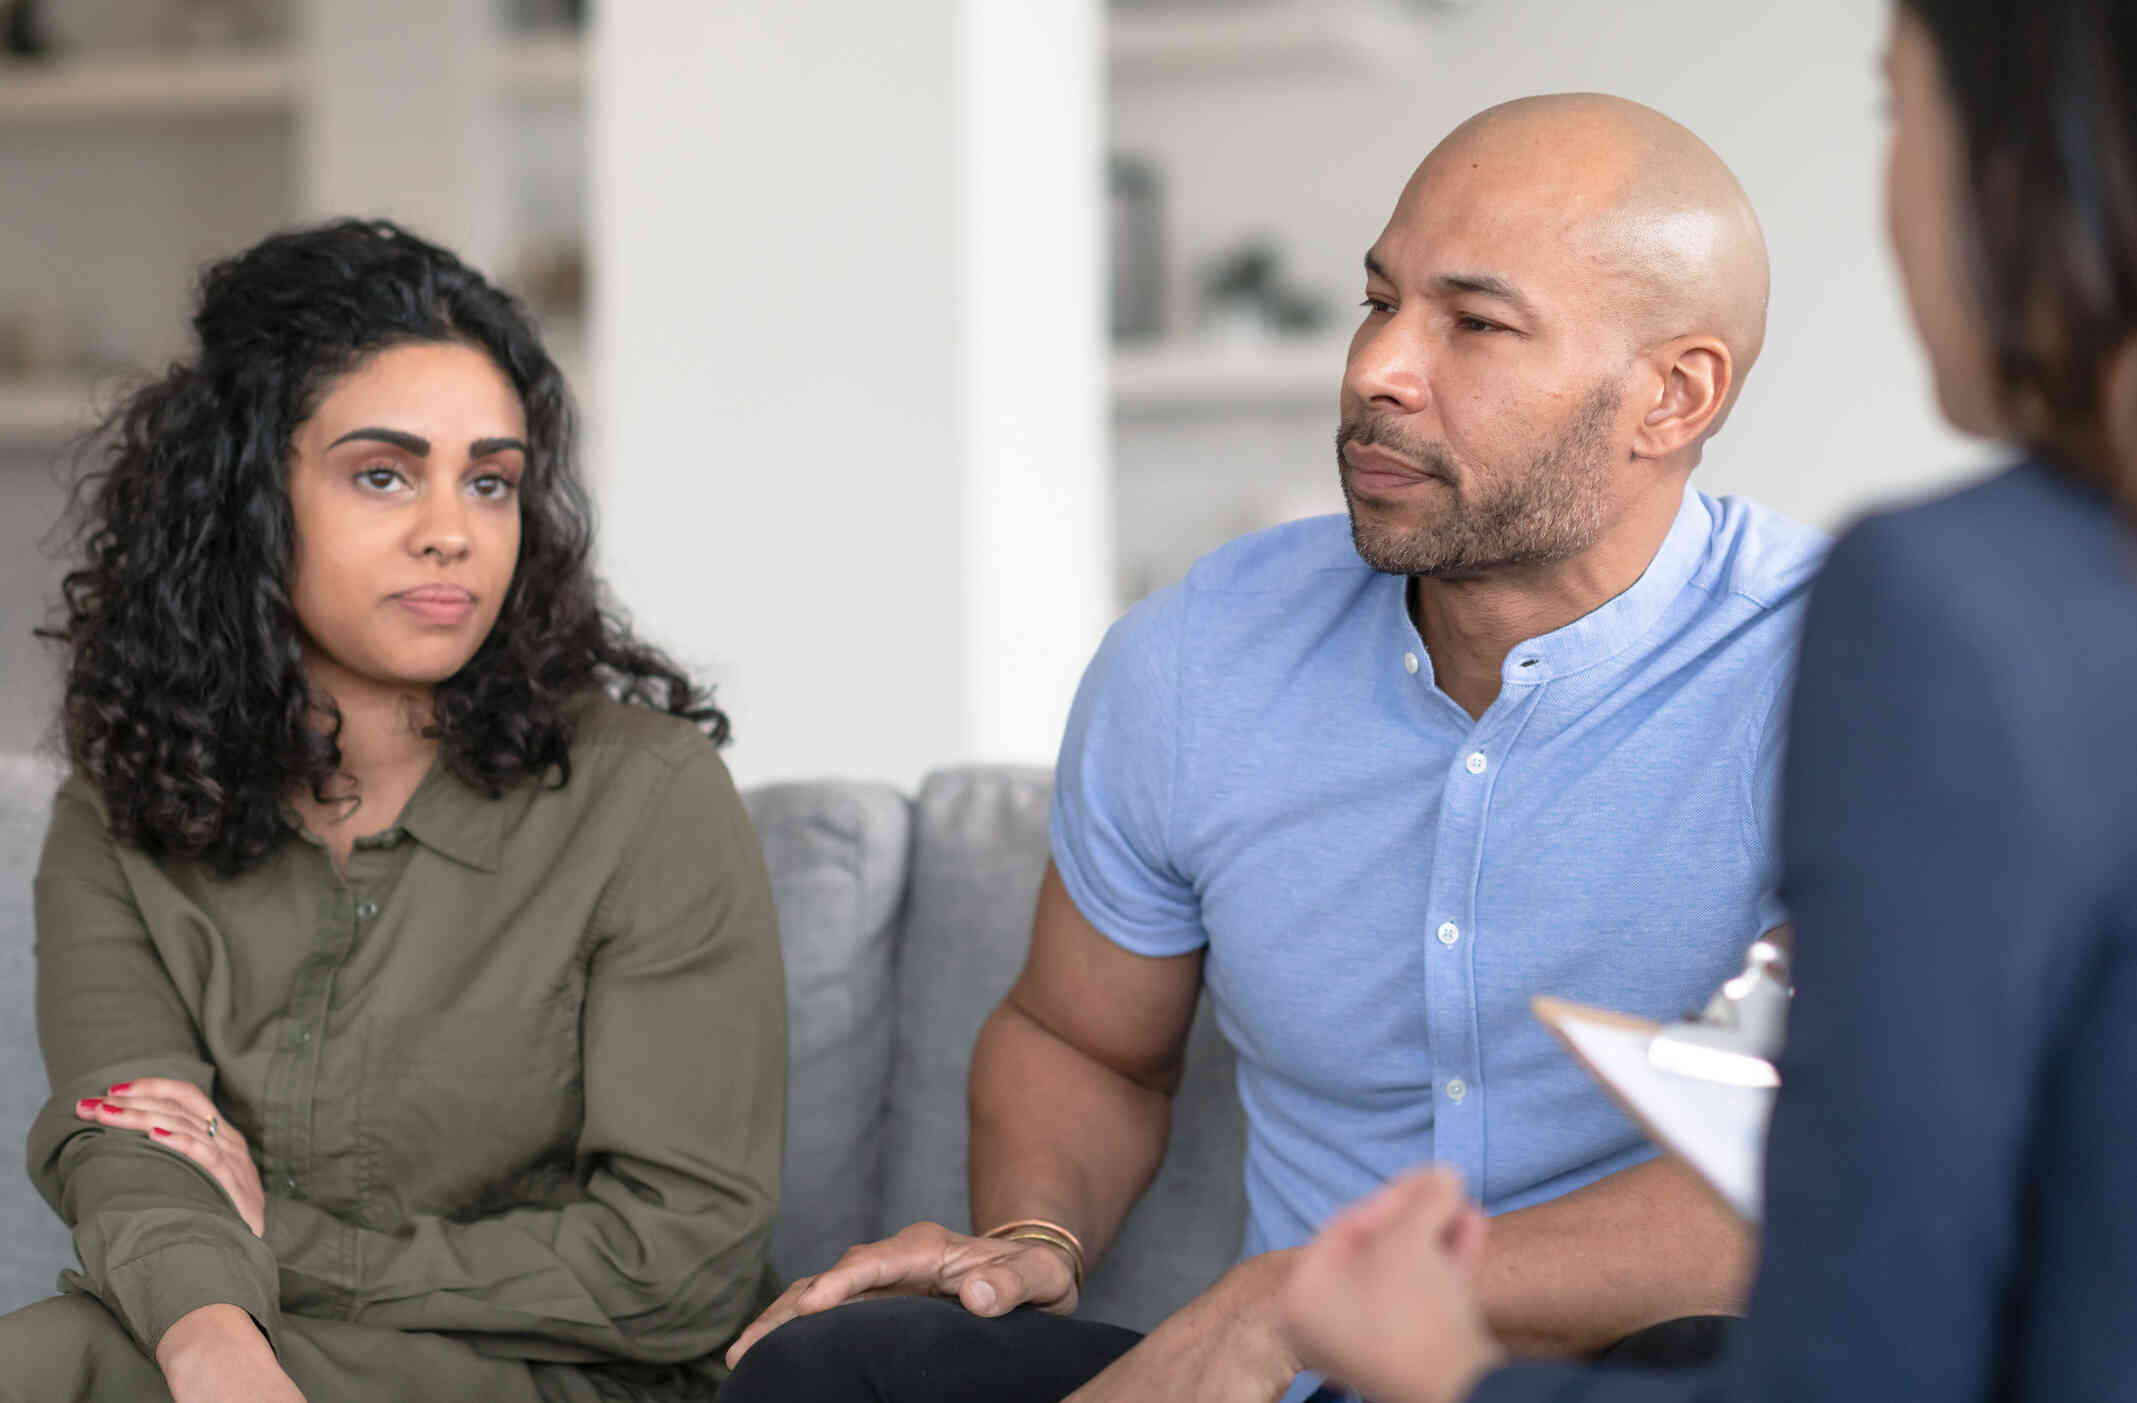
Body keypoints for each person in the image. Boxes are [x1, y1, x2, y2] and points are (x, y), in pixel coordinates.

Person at [722, 95, 1827, 1403]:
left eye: (1472, 324)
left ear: (1672, 394)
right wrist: (1030, 1235)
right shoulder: (1196, 659)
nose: (1376, 369)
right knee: (838, 1366)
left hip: (1630, 1378)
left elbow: (1825, 1168)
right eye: (1378, 300)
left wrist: (1293, 1303)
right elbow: (1081, 1039)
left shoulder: (1850, 681)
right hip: (1280, 1387)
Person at [1275, 3, 2137, 1402]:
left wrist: (1443, 1362)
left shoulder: (1953, 606)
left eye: (1893, 109)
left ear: (2026, 154)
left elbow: (1864, 1368)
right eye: (1381, 299)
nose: (1376, 367)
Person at [5, 220, 787, 1403]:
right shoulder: (124, 808)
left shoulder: (647, 796)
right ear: (247, 496)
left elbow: (683, 1261)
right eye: (383, 471)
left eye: (490, 478)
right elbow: (133, 1148)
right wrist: (215, 1348)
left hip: (567, 1378)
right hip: (234, 1343)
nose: (451, 529)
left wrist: (287, 1247)